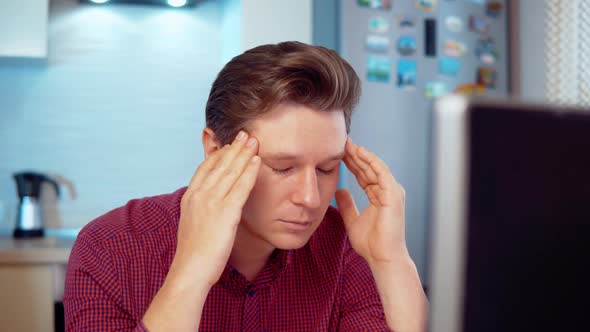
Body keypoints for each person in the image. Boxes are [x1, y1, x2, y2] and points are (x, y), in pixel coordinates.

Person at [64, 41, 427, 331]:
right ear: (214, 151)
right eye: (282, 167)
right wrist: (192, 270)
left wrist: (390, 259)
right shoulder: (110, 248)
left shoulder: (346, 247)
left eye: (327, 168)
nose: (310, 198)